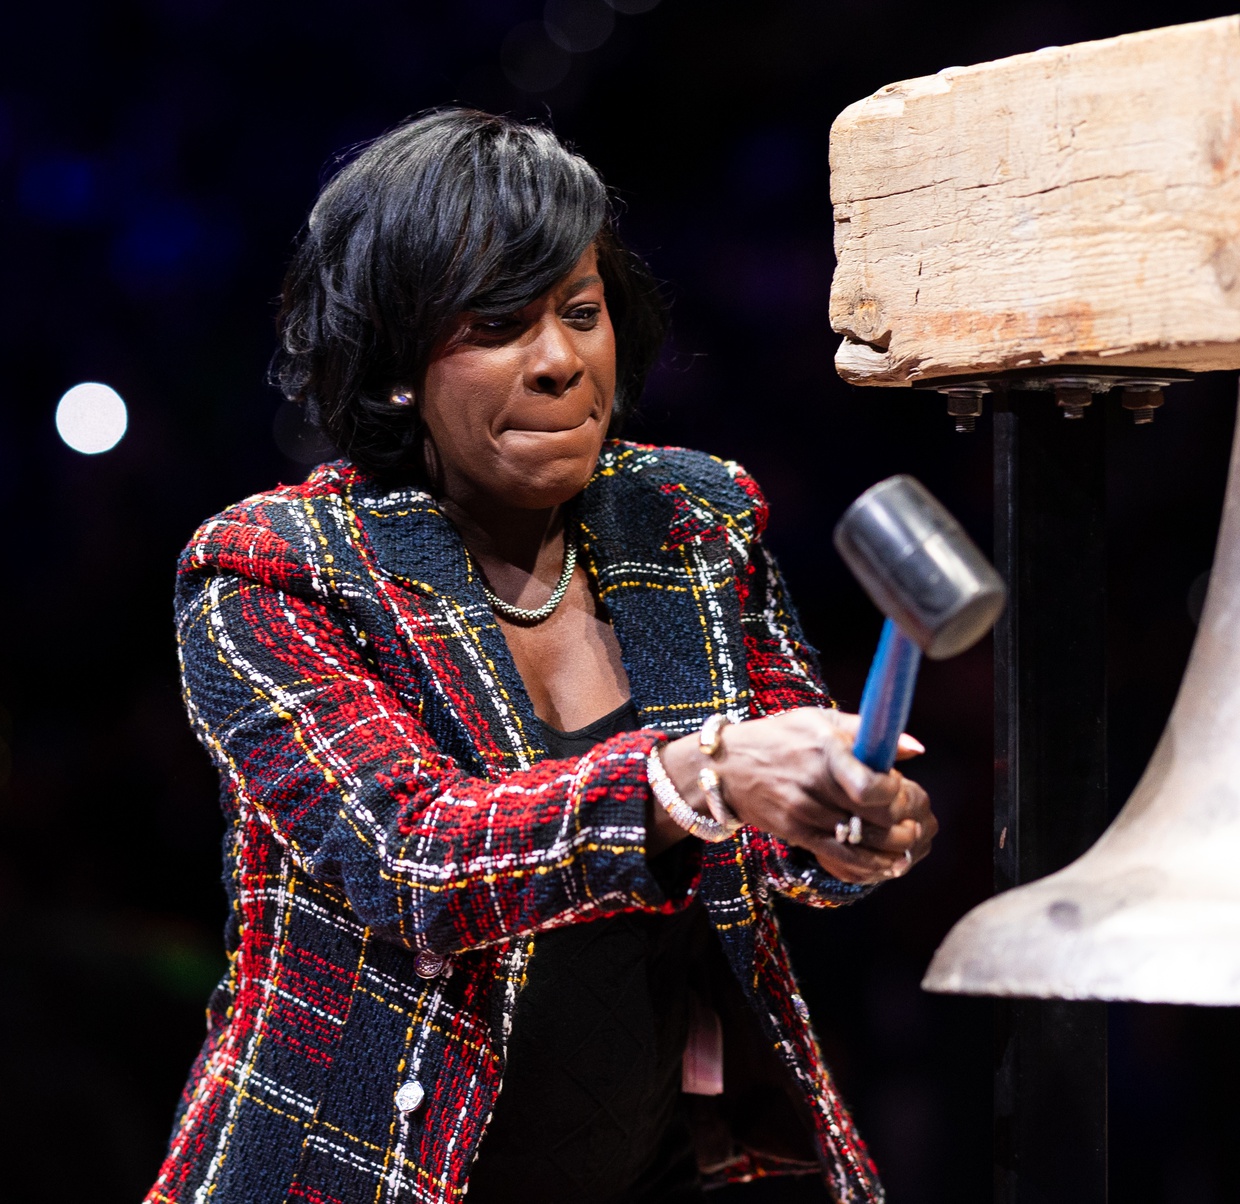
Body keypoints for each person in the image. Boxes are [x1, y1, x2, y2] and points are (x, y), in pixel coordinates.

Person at [147, 108, 937, 1204]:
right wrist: (701, 776)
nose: (561, 361)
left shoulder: (691, 518)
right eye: (500, 325)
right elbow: (412, 863)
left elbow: (778, 822)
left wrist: (848, 824)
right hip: (360, 1174)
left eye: (580, 312)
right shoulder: (273, 568)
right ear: (390, 368)